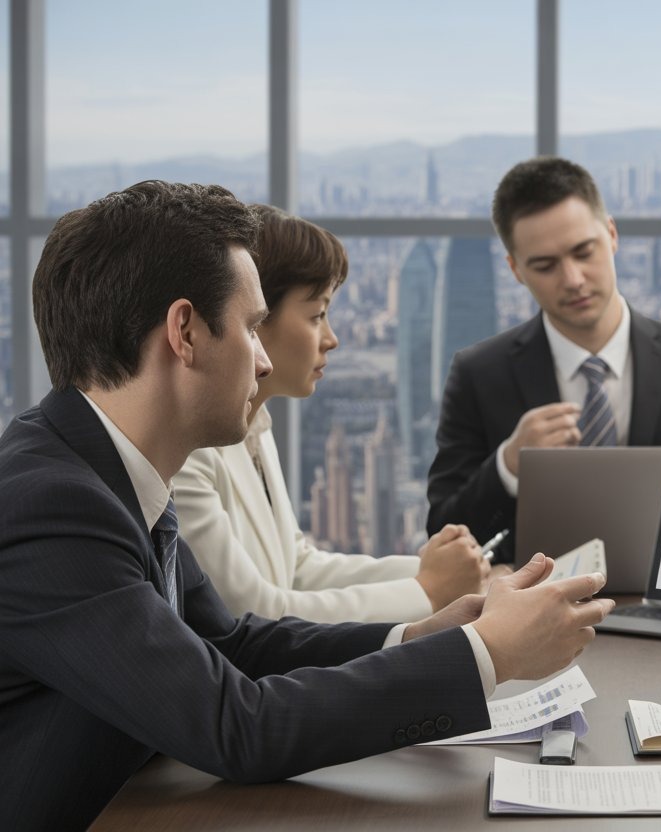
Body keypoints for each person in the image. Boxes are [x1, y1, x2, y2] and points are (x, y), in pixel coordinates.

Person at [0, 181, 613, 830]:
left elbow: (235, 644)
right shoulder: (55, 509)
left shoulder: (113, 471)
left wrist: (419, 636)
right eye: (251, 327)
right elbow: (237, 727)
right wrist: (488, 653)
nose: (263, 360)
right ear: (184, 333)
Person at [174, 205, 488, 624]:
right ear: (255, 319)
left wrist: (437, 571)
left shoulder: (257, 428)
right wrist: (427, 590)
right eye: (317, 315)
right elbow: (249, 612)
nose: (332, 339)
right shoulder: (189, 452)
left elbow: (298, 568)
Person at [426, 156, 661, 562]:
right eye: (545, 265)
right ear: (516, 270)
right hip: (531, 615)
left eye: (583, 252)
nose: (573, 279)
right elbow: (443, 533)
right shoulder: (478, 375)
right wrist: (509, 463)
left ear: (611, 234)